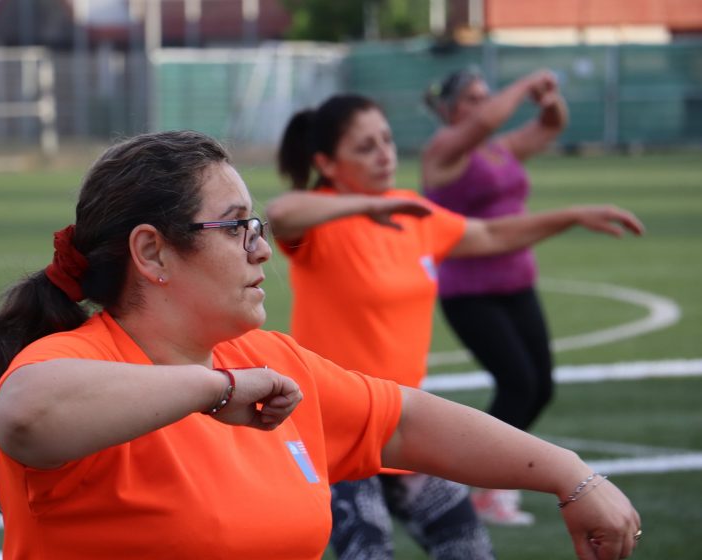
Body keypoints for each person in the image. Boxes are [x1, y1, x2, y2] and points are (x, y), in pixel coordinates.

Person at [0, 130, 641, 560]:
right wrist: (219, 393)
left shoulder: (269, 362)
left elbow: (407, 420)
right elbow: (24, 415)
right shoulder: (86, 363)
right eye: (236, 226)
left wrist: (572, 476)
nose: (261, 249)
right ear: (152, 252)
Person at [268, 95, 643, 559]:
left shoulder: (407, 209)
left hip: (403, 427)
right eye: (366, 147)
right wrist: (362, 206)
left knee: (468, 550)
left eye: (386, 139)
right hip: (338, 430)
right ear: (325, 161)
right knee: (367, 552)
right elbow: (281, 215)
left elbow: (489, 235)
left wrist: (571, 216)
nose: (385, 154)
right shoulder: (322, 219)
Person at [421, 67, 569, 524]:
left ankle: (486, 483)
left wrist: (547, 99)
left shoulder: (499, 151)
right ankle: (483, 487)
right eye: (471, 98)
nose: (482, 105)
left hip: (518, 282)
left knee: (540, 387)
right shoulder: (444, 151)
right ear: (448, 109)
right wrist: (525, 84)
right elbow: (484, 122)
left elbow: (551, 125)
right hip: (471, 290)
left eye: (486, 96)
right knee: (518, 385)